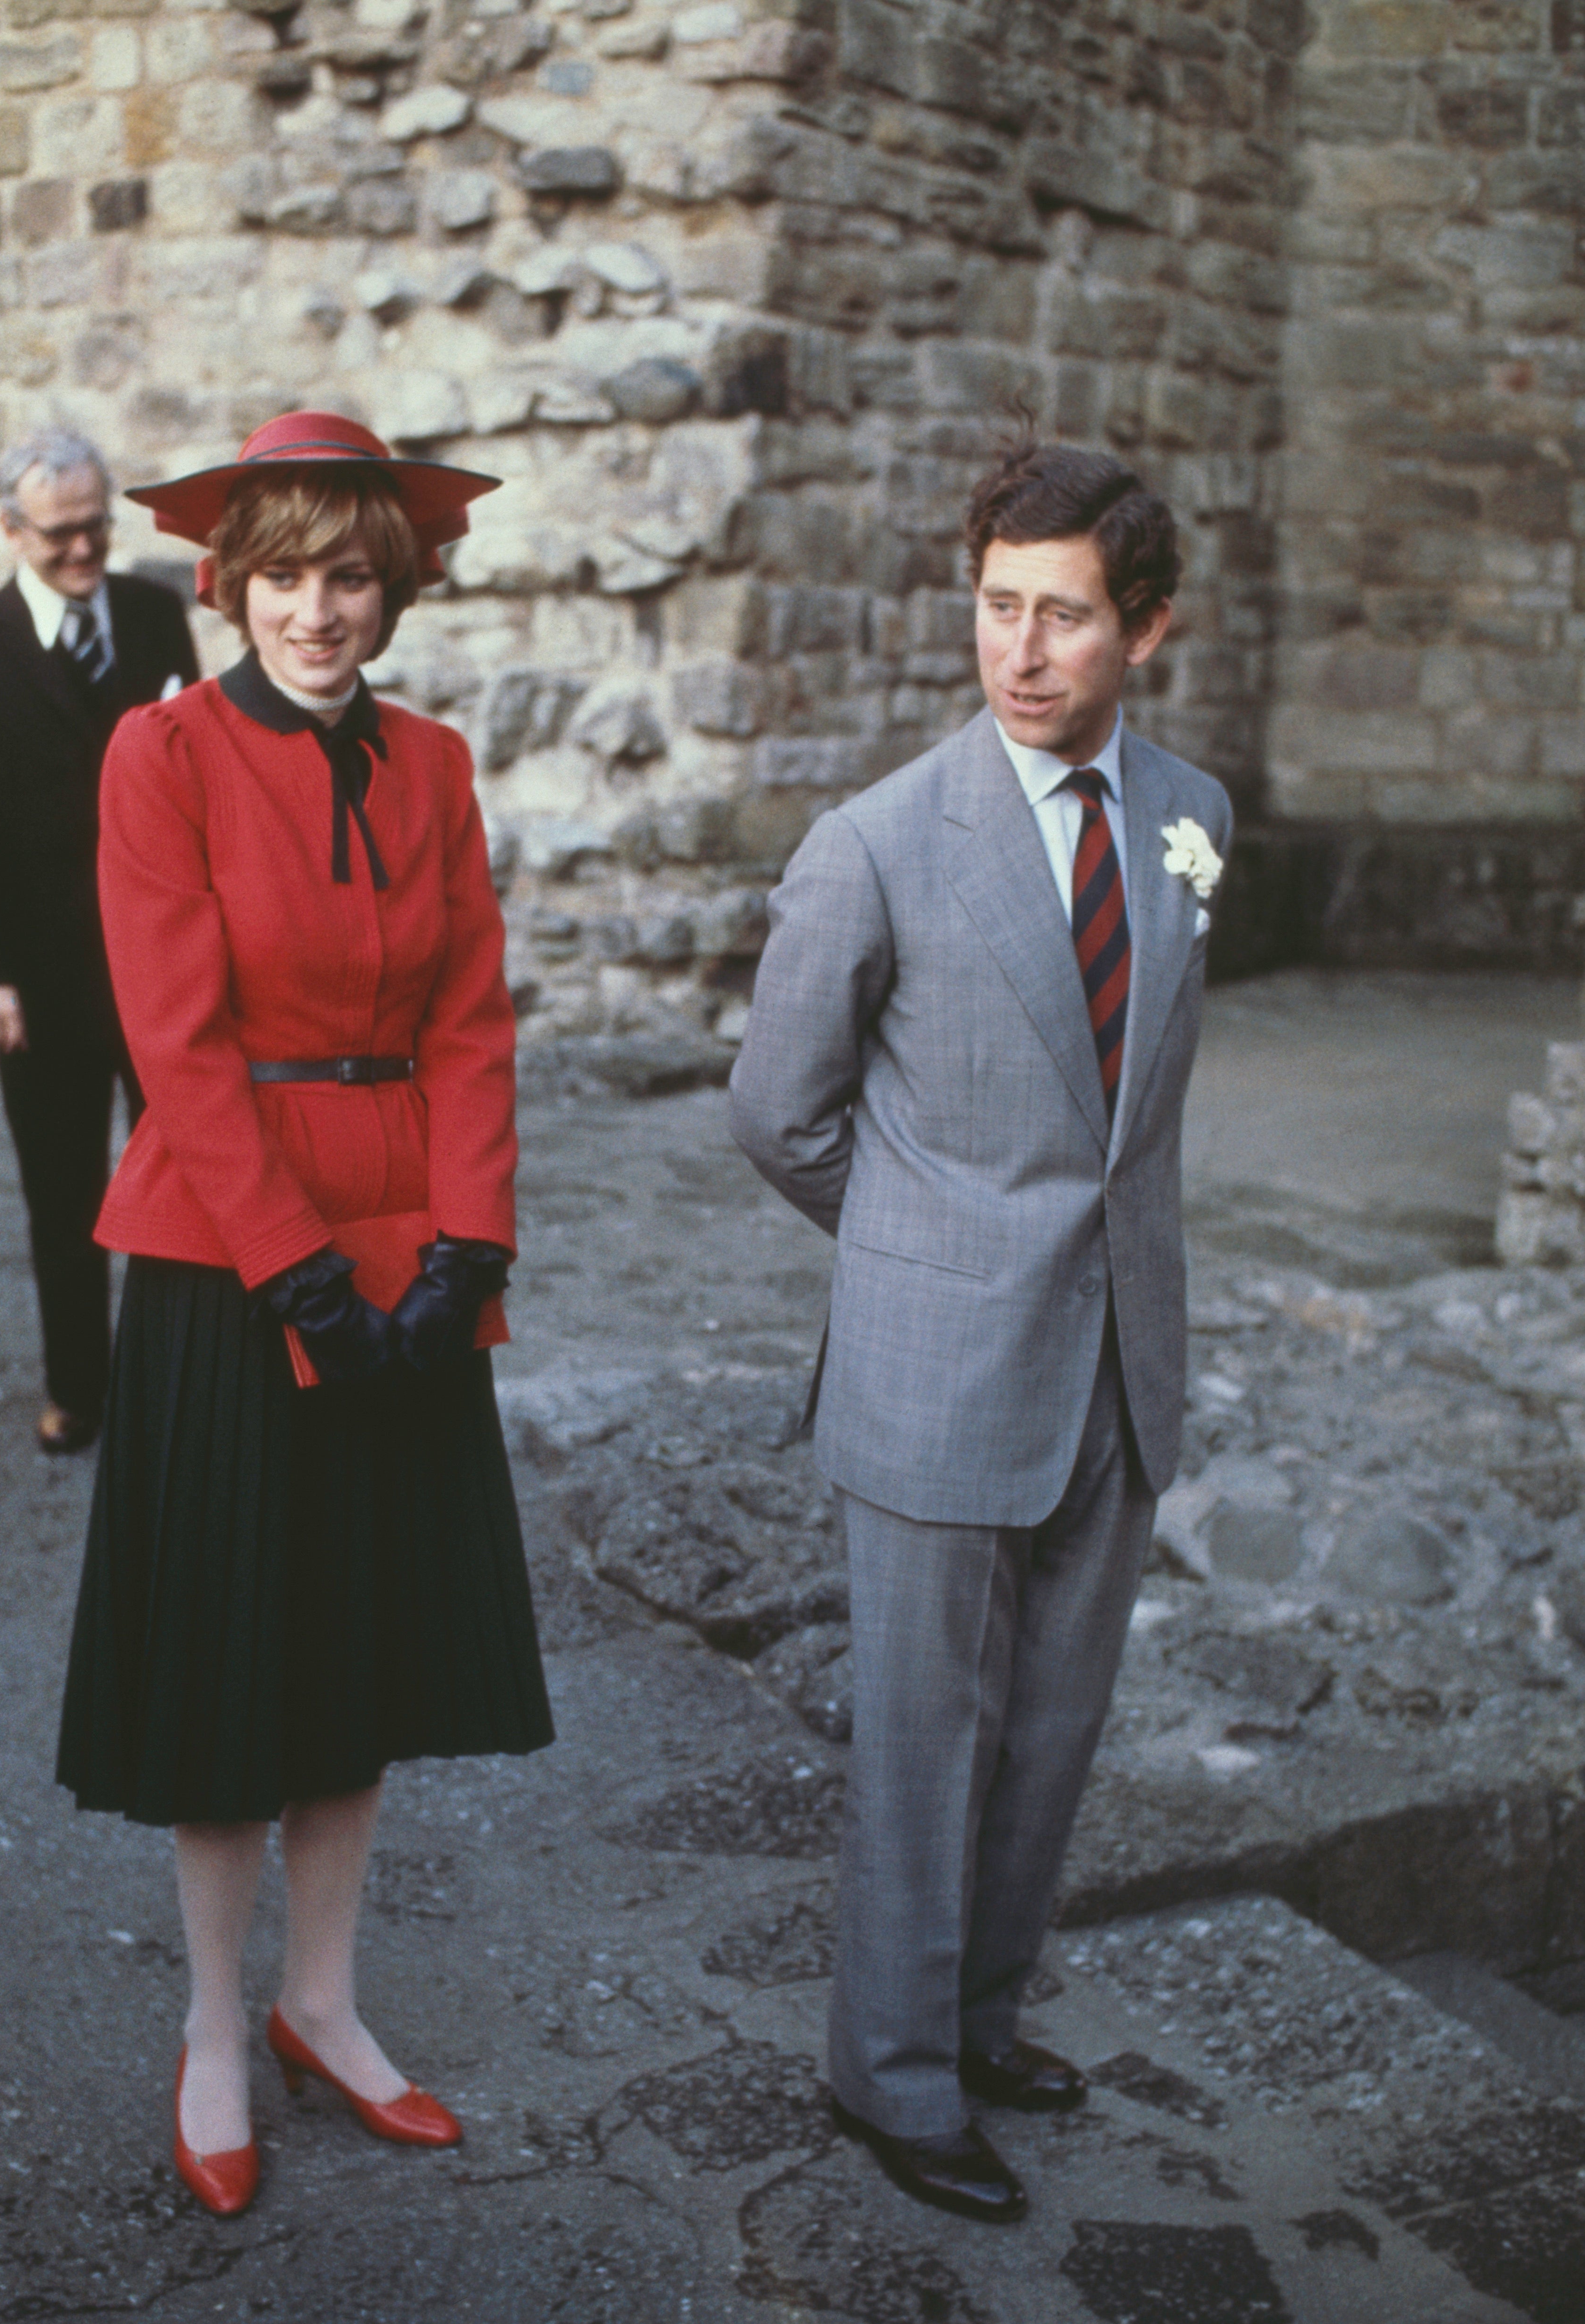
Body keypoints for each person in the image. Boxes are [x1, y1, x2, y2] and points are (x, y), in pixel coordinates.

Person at [54, 411, 553, 2219]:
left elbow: (475, 1017)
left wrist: (465, 1247)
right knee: (234, 1657)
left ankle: (322, 2001)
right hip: (226, 1249)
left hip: (408, 1246)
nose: (316, 610)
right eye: (282, 573)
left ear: (392, 588)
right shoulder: (160, 751)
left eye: (350, 574)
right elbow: (173, 1043)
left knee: (362, 1643)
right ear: (229, 582)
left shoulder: (430, 763)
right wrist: (293, 1267)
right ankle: (209, 2023)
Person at [729, 438, 1232, 2225]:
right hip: (936, 1359)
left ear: (1144, 630)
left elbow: (1134, 1105)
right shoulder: (872, 843)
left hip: (1117, 1357)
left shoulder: (1192, 816)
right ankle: (894, 2079)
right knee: (924, 1739)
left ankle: (976, 2015)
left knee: (1052, 1728)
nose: (1020, 650)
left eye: (1065, 617)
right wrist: (922, 1256)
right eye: (996, 607)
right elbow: (778, 1110)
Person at [0, 429, 201, 1453]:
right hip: (35, 981)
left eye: (97, 528)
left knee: (191, 1176)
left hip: (161, 964)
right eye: (61, 534)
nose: (85, 551)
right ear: (10, 530)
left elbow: (194, 779)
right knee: (65, 1196)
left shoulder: (159, 616)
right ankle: (81, 1390)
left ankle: (191, 1381)